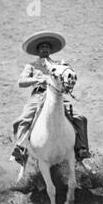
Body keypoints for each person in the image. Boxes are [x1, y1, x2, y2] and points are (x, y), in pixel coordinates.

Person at [11, 31, 91, 166]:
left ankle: (81, 149)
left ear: (50, 49)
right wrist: (38, 79)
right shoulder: (31, 66)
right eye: (42, 47)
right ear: (37, 50)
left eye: (47, 47)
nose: (45, 49)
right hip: (39, 95)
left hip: (57, 96)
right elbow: (21, 82)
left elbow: (67, 77)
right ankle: (21, 149)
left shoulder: (58, 64)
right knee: (21, 120)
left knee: (80, 118)